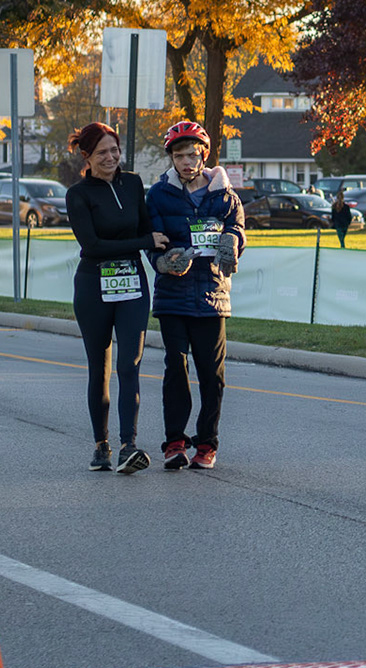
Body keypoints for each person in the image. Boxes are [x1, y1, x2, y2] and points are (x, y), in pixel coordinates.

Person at [65, 121, 167, 474]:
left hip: (132, 284)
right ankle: (101, 446)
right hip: (94, 285)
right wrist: (144, 242)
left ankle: (129, 445)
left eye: (114, 150)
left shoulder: (134, 183)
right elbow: (92, 245)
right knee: (100, 368)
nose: (110, 158)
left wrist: (151, 245)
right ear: (87, 157)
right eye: (101, 152)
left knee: (130, 365)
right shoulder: (78, 195)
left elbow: (144, 227)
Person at [146, 121, 245, 471]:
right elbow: (152, 240)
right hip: (173, 295)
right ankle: (175, 442)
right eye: (179, 155)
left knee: (211, 374)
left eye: (192, 154)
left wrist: (233, 240)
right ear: (171, 158)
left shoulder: (224, 195)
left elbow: (237, 228)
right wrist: (163, 261)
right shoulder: (158, 194)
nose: (186, 161)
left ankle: (207, 443)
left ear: (204, 155)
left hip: (212, 294)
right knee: (176, 366)